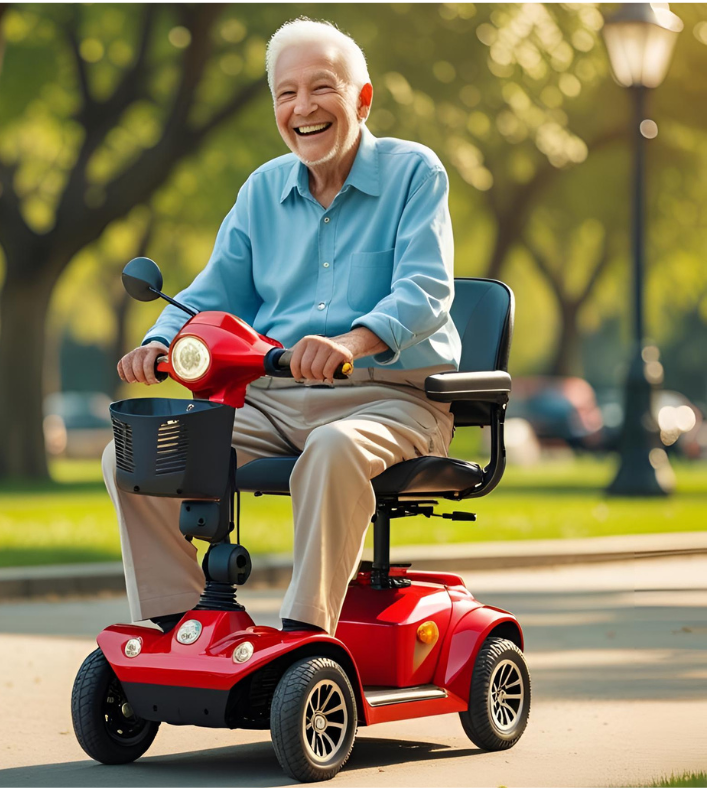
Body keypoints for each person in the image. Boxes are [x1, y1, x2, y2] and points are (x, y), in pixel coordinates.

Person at [102, 18, 461, 636]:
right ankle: (185, 623)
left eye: (321, 88)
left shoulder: (414, 173)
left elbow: (425, 289)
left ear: (362, 100)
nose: (303, 108)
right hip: (271, 401)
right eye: (285, 94)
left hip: (390, 401)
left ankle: (305, 633)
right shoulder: (262, 189)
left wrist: (351, 342)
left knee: (333, 448)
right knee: (133, 455)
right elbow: (212, 293)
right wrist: (160, 339)